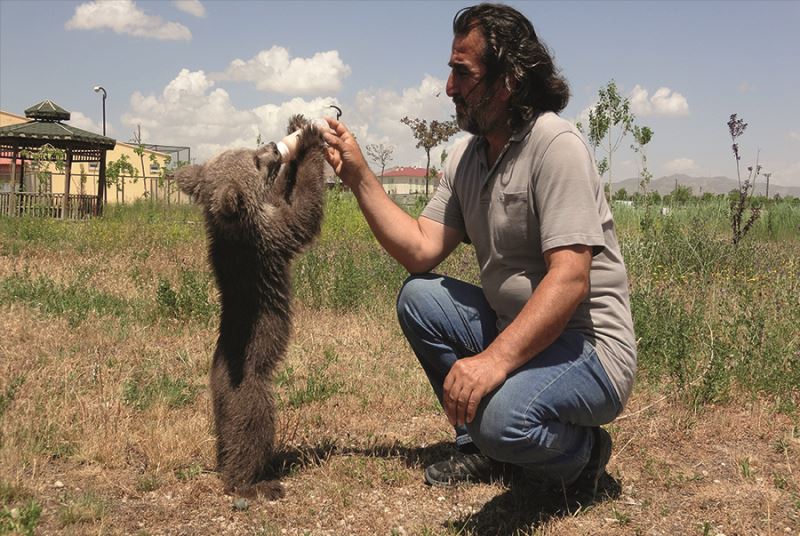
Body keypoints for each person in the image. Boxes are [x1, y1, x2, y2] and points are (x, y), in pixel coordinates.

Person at [322, 3, 636, 498]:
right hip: (518, 331)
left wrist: (494, 362)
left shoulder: (556, 146)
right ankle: (479, 446)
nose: (449, 89)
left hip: (589, 349)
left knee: (502, 420)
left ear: (509, 78)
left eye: (461, 73)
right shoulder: (467, 156)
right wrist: (359, 175)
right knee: (419, 298)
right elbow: (421, 249)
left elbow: (571, 279)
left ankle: (583, 456)